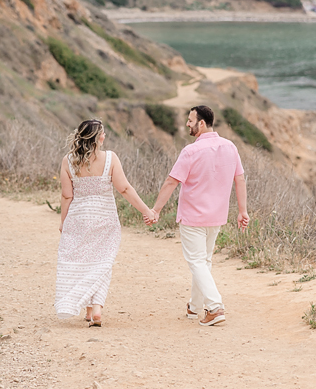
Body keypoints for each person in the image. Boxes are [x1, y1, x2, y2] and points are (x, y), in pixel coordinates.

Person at [147, 105, 249, 327]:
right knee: (203, 261)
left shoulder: (191, 151)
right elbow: (239, 179)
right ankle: (194, 307)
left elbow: (171, 181)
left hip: (193, 217)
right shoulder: (230, 147)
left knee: (196, 262)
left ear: (201, 123)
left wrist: (156, 210)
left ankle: (215, 307)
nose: (187, 124)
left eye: (190, 120)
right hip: (217, 216)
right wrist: (243, 211)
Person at [55, 119, 156, 326]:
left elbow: (67, 196)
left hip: (79, 218)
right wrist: (147, 211)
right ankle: (96, 308)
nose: (105, 137)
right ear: (98, 138)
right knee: (102, 262)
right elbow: (125, 189)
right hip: (104, 217)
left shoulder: (68, 161)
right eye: (103, 133)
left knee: (83, 261)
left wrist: (64, 222)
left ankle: (89, 310)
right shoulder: (110, 158)